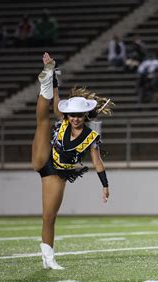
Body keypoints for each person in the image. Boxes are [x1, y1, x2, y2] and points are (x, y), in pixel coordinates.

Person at [32, 52, 114, 269]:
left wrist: (105, 185)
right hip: (44, 159)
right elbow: (57, 104)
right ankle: (45, 83)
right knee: (42, 123)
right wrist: (54, 80)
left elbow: (97, 163)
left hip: (58, 173)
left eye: (79, 115)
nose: (75, 118)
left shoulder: (91, 137)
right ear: (68, 115)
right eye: (72, 114)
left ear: (85, 116)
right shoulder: (63, 119)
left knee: (49, 216)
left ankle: (48, 259)